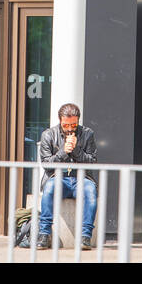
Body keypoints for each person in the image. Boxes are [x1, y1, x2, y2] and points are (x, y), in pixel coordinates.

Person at [36, 102, 98, 250]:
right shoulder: (48, 135)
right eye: (66, 125)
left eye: (73, 125)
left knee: (91, 191)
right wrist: (63, 151)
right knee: (49, 188)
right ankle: (44, 234)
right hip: (57, 178)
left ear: (78, 121)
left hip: (82, 179)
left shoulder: (88, 134)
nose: (70, 129)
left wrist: (75, 150)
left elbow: (92, 161)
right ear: (60, 121)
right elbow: (46, 164)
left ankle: (85, 236)